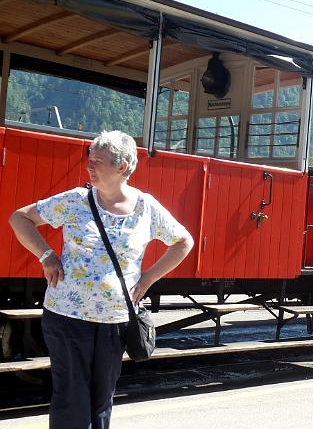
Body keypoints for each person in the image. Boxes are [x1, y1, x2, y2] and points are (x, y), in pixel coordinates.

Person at [8, 131, 194, 428]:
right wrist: (46, 255)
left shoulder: (146, 208)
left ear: (122, 167)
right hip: (67, 316)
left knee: (101, 401)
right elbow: (19, 218)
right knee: (72, 398)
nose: (89, 167)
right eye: (89, 160)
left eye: (98, 162)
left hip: (115, 321)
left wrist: (147, 279)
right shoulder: (75, 201)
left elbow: (183, 241)